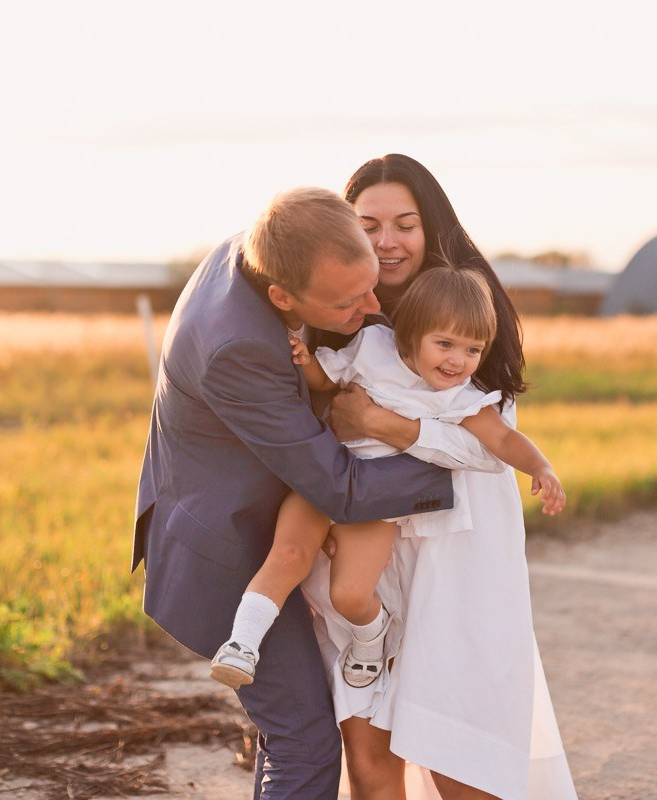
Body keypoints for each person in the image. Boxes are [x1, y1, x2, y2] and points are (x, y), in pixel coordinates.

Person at [133, 186, 499, 799]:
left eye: (368, 286)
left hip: (263, 527)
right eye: (351, 300)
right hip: (223, 553)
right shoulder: (239, 348)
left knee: (292, 733)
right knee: (304, 737)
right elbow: (341, 489)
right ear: (283, 296)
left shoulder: (266, 247)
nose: (375, 304)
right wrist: (462, 460)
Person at [302, 155, 579, 799]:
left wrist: (381, 422)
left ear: (431, 229)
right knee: (370, 756)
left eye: (405, 223)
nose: (387, 241)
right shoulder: (338, 320)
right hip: (363, 545)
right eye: (368, 224)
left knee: (461, 744)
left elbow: (487, 448)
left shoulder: (468, 308)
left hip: (459, 549)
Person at [209, 264, 567, 694]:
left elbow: (503, 439)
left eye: (474, 350)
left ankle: (372, 632)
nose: (458, 361)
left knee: (350, 594)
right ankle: (242, 644)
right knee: (287, 553)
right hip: (325, 474)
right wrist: (305, 363)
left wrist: (541, 467)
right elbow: (330, 376)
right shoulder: (373, 345)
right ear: (411, 333)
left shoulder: (459, 397)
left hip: (374, 500)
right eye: (445, 344)